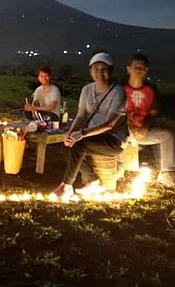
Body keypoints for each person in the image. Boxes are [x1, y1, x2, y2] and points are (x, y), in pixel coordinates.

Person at [54, 52, 129, 198]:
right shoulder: (87, 90)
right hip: (90, 136)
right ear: (90, 71)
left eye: (104, 69)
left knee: (79, 145)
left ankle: (67, 186)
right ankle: (93, 180)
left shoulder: (118, 92)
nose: (100, 73)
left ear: (111, 71)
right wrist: (70, 133)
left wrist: (81, 134)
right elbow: (81, 116)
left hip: (113, 140)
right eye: (96, 69)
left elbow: (109, 124)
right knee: (65, 144)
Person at [125, 52, 175, 190]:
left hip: (144, 132)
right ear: (128, 68)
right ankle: (124, 173)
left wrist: (144, 127)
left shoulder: (151, 90)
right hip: (124, 132)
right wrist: (128, 128)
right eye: (136, 67)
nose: (139, 70)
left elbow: (153, 113)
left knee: (167, 136)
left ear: (146, 70)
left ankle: (167, 172)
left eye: (142, 67)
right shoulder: (121, 89)